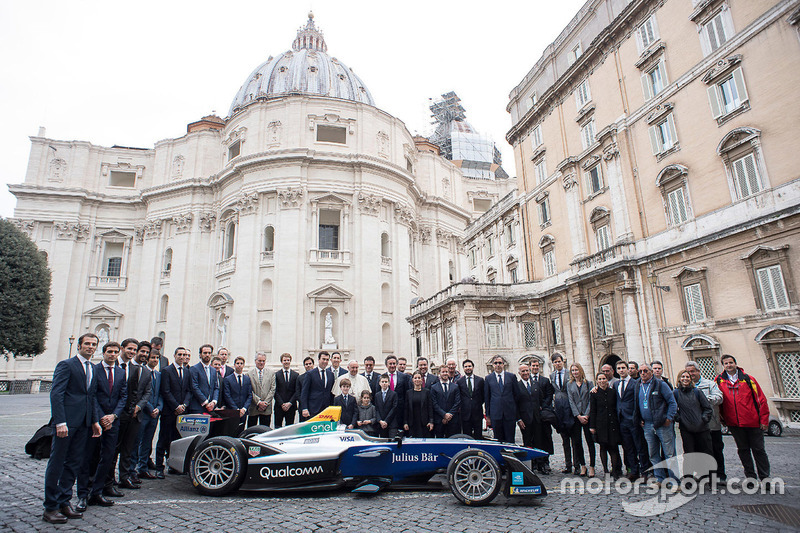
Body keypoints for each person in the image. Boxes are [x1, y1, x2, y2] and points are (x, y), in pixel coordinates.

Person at [43, 333, 102, 524]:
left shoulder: (92, 368)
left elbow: (91, 397)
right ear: (79, 346)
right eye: (87, 344)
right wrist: (60, 422)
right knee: (57, 463)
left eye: (93, 344)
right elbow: (56, 394)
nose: (90, 347)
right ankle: (50, 507)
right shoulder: (66, 365)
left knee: (74, 463)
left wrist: (94, 421)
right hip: (66, 424)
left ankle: (64, 501)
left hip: (84, 424)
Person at [77, 341, 125, 511]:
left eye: (115, 352)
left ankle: (97, 491)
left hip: (113, 422)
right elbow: (91, 396)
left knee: (107, 457)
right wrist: (100, 417)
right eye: (109, 351)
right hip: (95, 421)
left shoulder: (120, 372)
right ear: (103, 352)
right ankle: (83, 494)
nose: (112, 355)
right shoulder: (93, 370)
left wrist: (113, 416)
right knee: (88, 458)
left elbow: (123, 397)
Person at [716, 354, 771, 481]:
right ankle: (750, 477)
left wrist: (763, 420)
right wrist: (723, 419)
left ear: (735, 363)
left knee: (759, 450)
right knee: (743, 450)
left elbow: (761, 400)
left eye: (731, 362)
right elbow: (719, 402)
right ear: (723, 365)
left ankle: (765, 477)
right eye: (726, 363)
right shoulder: (719, 381)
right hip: (734, 423)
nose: (729, 365)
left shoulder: (748, 379)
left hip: (753, 422)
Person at [112, 339, 152, 491]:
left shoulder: (139, 370)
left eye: (146, 352)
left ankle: (125, 476)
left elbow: (145, 392)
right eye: (139, 351)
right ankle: (109, 479)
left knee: (129, 448)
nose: (142, 354)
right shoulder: (118, 366)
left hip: (134, 414)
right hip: (119, 414)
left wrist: (138, 407)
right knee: (113, 448)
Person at [634, 362, 678, 485]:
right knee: (653, 453)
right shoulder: (638, 385)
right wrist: (638, 418)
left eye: (645, 371)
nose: (643, 373)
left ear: (651, 372)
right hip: (647, 425)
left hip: (662, 424)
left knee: (669, 453)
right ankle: (660, 478)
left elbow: (672, 402)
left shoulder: (660, 384)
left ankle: (674, 480)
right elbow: (636, 403)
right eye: (641, 371)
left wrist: (669, 418)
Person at [686, 361, 726, 481]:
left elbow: (719, 397)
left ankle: (720, 475)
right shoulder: (685, 387)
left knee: (716, 450)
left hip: (711, 424)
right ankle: (703, 474)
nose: (690, 374)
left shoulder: (709, 384)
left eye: (692, 371)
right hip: (695, 425)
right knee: (699, 451)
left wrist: (703, 399)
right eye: (688, 372)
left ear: (698, 371)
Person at [155, 346, 191, 478]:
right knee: (164, 439)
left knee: (177, 440)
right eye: (180, 354)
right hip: (169, 411)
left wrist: (184, 405)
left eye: (184, 354)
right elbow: (165, 391)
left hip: (182, 411)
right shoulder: (167, 370)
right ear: (175, 355)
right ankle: (159, 467)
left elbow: (189, 390)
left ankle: (173, 465)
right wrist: (176, 406)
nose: (182, 357)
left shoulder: (187, 371)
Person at [613, 360, 649, 481]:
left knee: (640, 446)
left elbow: (638, 401)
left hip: (633, 419)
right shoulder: (616, 384)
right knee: (628, 447)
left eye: (623, 368)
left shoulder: (635, 383)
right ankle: (634, 470)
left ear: (628, 369)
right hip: (622, 420)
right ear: (616, 371)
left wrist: (639, 417)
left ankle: (644, 471)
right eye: (619, 368)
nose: (621, 370)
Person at [516, 362, 553, 474]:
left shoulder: (535, 384)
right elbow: (515, 404)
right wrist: (519, 419)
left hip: (537, 419)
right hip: (525, 420)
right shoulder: (517, 386)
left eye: (527, 370)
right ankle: (529, 466)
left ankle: (541, 465)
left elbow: (541, 400)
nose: (526, 373)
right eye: (523, 371)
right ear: (519, 373)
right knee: (527, 443)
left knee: (539, 442)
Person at [673, 369, 713, 468]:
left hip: (702, 427)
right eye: (683, 377)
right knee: (689, 454)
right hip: (686, 428)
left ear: (690, 379)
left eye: (687, 377)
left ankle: (708, 476)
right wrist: (679, 418)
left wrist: (703, 419)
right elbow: (673, 409)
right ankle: (689, 477)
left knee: (706, 453)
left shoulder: (697, 392)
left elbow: (707, 408)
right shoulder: (676, 393)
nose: (685, 379)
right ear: (679, 379)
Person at [589, 372, 622, 479]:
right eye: (600, 379)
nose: (602, 381)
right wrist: (592, 426)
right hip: (600, 424)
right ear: (597, 381)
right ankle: (605, 470)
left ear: (607, 380)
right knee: (603, 447)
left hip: (612, 423)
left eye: (604, 378)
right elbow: (593, 411)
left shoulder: (613, 392)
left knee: (613, 448)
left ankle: (615, 470)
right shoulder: (594, 394)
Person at [136, 350, 162, 480]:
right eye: (153, 357)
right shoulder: (143, 373)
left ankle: (143, 468)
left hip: (154, 413)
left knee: (148, 441)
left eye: (157, 358)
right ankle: (132, 469)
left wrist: (158, 408)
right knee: (137, 442)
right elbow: (142, 394)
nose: (155, 360)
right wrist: (151, 409)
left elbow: (160, 394)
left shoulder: (158, 374)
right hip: (145, 412)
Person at [567, 363, 595, 477]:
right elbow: (571, 401)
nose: (575, 372)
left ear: (580, 370)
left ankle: (592, 466)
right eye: (573, 370)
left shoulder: (588, 383)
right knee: (577, 442)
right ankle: (583, 465)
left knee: (590, 442)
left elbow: (590, 400)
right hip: (576, 417)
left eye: (576, 370)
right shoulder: (569, 385)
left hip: (587, 416)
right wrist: (578, 415)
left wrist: (586, 415)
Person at [485, 355, 517, 443]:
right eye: (495, 363)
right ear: (492, 365)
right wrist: (487, 415)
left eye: (500, 363)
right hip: (496, 414)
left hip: (509, 413)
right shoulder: (488, 378)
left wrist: (516, 413)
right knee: (498, 440)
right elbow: (487, 397)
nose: (498, 365)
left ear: (503, 364)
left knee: (510, 440)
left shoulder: (511, 377)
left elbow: (516, 395)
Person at [550, 353, 574, 473]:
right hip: (559, 410)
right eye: (555, 362)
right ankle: (568, 464)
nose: (557, 364)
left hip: (570, 409)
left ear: (563, 362)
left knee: (575, 440)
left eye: (559, 361)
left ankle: (578, 464)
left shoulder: (570, 374)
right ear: (553, 364)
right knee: (565, 441)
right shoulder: (552, 375)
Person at [300, 351, 334, 419]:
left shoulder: (331, 374)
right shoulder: (310, 374)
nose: (325, 361)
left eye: (327, 360)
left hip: (327, 409)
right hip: (313, 408)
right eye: (323, 359)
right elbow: (304, 392)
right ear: (318, 360)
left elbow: (331, 392)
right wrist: (304, 408)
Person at [456, 359, 484, 440]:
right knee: (466, 437)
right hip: (465, 414)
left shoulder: (480, 380)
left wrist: (476, 404)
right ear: (463, 368)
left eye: (469, 366)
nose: (468, 368)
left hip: (477, 413)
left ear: (473, 367)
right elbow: (459, 397)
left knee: (478, 436)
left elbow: (483, 396)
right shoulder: (459, 382)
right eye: (466, 367)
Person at [431, 365, 461, 438]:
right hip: (439, 420)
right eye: (443, 372)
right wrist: (444, 415)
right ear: (439, 373)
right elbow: (434, 403)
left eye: (446, 372)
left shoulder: (455, 386)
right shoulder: (434, 387)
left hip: (453, 420)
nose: (445, 373)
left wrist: (449, 414)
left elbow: (457, 402)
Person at [189, 344, 219, 415]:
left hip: (211, 408)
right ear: (200, 355)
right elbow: (194, 387)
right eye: (205, 353)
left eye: (209, 353)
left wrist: (214, 401)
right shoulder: (194, 369)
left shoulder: (213, 370)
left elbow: (216, 387)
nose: (207, 355)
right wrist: (206, 402)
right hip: (198, 407)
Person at [248, 352, 275, 427]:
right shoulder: (249, 374)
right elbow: (249, 390)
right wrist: (259, 402)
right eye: (259, 361)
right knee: (251, 430)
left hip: (266, 408)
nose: (261, 363)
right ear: (255, 361)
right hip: (254, 407)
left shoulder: (271, 373)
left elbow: (272, 389)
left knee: (265, 431)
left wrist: (265, 403)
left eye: (263, 361)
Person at [224, 356, 253, 425]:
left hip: (243, 411)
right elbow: (227, 395)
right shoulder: (228, 379)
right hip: (232, 410)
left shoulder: (247, 379)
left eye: (241, 363)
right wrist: (236, 409)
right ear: (234, 365)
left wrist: (244, 408)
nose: (239, 365)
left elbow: (250, 395)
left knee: (242, 431)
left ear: (243, 365)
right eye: (237, 363)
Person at [404, 371, 434, 437]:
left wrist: (431, 421)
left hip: (424, 423)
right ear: (412, 380)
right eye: (415, 378)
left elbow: (430, 407)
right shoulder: (408, 393)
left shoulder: (427, 392)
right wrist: (405, 422)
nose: (417, 379)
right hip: (412, 423)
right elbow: (406, 409)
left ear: (422, 380)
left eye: (419, 378)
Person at [273, 353, 299, 427]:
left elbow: (296, 391)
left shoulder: (296, 375)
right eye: (284, 360)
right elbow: (275, 391)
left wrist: (290, 403)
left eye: (288, 360)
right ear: (281, 361)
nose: (286, 362)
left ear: (290, 361)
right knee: (278, 428)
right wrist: (282, 404)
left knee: (289, 428)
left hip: (291, 407)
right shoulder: (276, 375)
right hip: (279, 406)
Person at [385, 355, 410, 426]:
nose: (392, 365)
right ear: (386, 365)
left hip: (400, 411)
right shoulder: (382, 377)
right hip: (387, 411)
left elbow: (406, 394)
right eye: (390, 364)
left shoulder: (404, 377)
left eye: (394, 363)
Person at [296, 356, 315, 422]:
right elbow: (298, 393)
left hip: (315, 407)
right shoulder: (300, 378)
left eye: (310, 364)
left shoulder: (318, 376)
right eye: (306, 364)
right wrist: (304, 404)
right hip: (303, 407)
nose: (308, 365)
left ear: (313, 365)